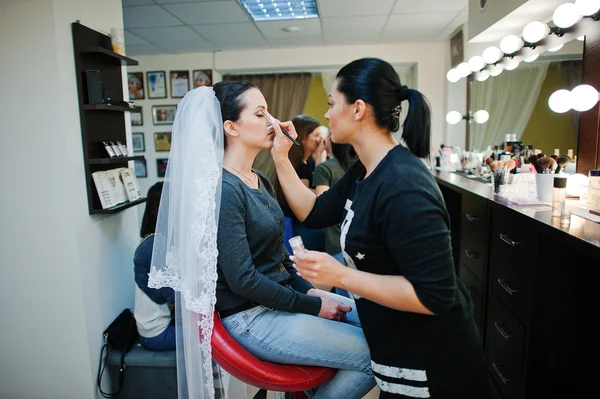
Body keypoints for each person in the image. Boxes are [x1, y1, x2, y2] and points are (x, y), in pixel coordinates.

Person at [271, 58, 491, 398]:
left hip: (431, 357)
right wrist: (281, 157)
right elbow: (314, 211)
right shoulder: (364, 171)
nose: (327, 115)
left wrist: (341, 276)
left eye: (332, 104)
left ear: (357, 108)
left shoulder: (403, 184)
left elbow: (434, 295)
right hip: (393, 340)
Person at [147, 84, 375, 399]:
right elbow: (243, 279)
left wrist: (308, 290)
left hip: (277, 301)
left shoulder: (259, 180)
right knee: (371, 353)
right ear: (231, 128)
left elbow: (279, 259)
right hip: (252, 316)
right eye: (259, 113)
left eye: (268, 110)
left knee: (381, 327)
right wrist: (312, 304)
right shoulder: (224, 190)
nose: (272, 120)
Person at [133, 182, 175, 351]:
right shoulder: (155, 247)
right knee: (210, 334)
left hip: (153, 328)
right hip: (157, 334)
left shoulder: (153, 241)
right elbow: (171, 296)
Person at [275, 115, 326, 252]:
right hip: (294, 227)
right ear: (303, 139)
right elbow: (306, 200)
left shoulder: (307, 163)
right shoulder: (301, 167)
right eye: (316, 135)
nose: (319, 140)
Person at [312, 141, 356, 297]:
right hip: (354, 243)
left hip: (337, 243)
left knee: (346, 299)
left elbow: (320, 204)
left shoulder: (325, 168)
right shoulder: (359, 167)